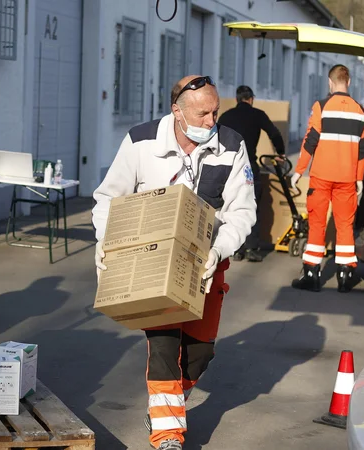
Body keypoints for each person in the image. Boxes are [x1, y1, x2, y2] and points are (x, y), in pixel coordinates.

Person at [92, 75, 256, 450]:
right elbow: (107, 198)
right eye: (202, 114)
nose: (211, 121)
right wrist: (107, 241)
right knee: (164, 348)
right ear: (177, 111)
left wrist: (218, 250)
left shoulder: (231, 146)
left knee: (200, 354)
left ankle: (167, 408)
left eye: (215, 111)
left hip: (208, 264)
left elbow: (243, 212)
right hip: (153, 263)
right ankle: (168, 436)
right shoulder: (140, 141)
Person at [290, 64, 364, 293]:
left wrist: (298, 171)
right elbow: (363, 151)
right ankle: (345, 276)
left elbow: (309, 141)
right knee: (345, 225)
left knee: (317, 224)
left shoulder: (321, 107)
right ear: (349, 82)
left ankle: (312, 275)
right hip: (347, 179)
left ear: (330, 82)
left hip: (321, 177)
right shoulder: (361, 112)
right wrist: (359, 179)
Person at [217, 85, 285, 262]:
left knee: (231, 206)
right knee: (251, 205)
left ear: (236, 99)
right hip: (248, 167)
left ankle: (236, 249)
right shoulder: (257, 115)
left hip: (228, 168)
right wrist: (281, 152)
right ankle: (252, 249)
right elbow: (274, 133)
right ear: (251, 99)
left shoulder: (226, 116)